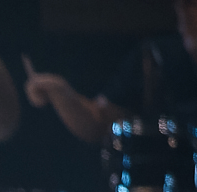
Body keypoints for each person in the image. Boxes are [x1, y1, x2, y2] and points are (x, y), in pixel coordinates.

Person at [24, 1, 197, 142]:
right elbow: (99, 121)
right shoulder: (155, 57)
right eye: (184, 3)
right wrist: (58, 90)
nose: (183, 10)